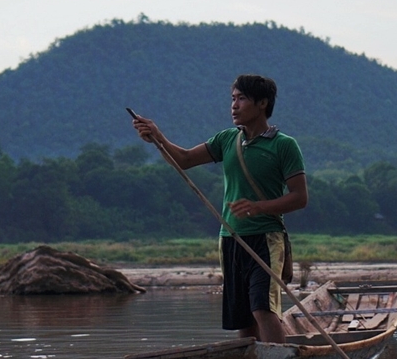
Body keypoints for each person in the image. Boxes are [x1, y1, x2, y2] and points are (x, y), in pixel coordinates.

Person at [132, 74, 308, 343]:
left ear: (262, 103)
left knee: (263, 307)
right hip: (231, 239)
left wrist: (259, 207)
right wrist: (157, 137)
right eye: (233, 99)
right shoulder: (227, 140)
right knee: (242, 316)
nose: (234, 106)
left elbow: (299, 197)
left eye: (242, 99)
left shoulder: (283, 145)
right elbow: (185, 159)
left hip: (266, 239)